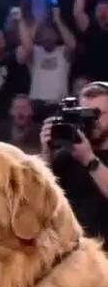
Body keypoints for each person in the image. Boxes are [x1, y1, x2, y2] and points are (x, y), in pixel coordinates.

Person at [40, 81, 108, 248]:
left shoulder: (83, 156)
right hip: (73, 256)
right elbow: (40, 201)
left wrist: (89, 160)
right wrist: (46, 154)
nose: (90, 121)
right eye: (83, 113)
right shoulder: (67, 156)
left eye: (96, 114)